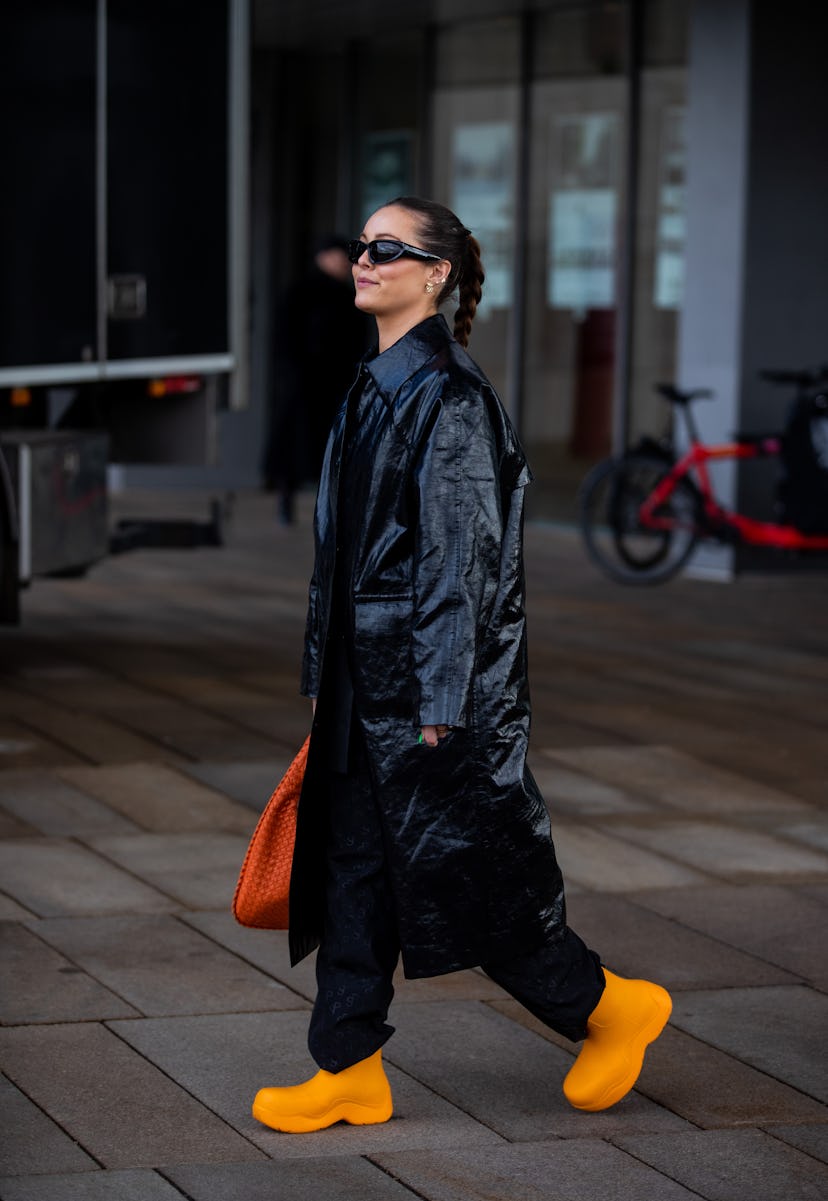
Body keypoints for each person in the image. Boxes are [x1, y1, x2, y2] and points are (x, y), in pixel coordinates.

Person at [252, 197, 671, 1133]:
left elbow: (461, 565)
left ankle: (610, 1008)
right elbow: (343, 555)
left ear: (436, 274)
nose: (364, 259)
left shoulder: (449, 399)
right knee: (353, 868)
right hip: (371, 683)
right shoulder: (376, 385)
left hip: (428, 694)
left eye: (387, 248)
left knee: (469, 882)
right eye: (361, 244)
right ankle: (348, 1066)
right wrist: (326, 675)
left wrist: (440, 699)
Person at [263, 235, 369, 523]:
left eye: (341, 258)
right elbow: (284, 335)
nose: (338, 263)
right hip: (305, 382)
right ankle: (288, 499)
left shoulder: (350, 296)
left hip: (335, 382)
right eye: (333, 256)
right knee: (295, 443)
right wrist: (293, 370)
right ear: (321, 258)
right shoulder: (301, 292)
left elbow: (356, 339)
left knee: (331, 445)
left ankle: (330, 508)